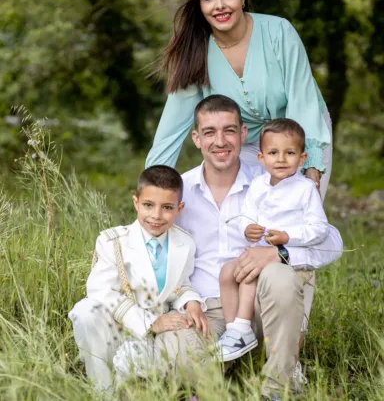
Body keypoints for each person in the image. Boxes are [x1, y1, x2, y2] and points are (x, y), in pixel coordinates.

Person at [155, 95, 341, 399]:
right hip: (203, 310)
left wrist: (280, 252)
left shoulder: (274, 182)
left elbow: (331, 243)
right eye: (210, 132)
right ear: (196, 138)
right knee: (175, 355)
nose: (220, 141)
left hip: (261, 308)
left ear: (243, 134)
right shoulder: (178, 191)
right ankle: (220, 380)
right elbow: (157, 259)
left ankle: (277, 386)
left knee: (280, 276)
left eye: (229, 130)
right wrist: (183, 301)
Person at [146, 0, 332, 199]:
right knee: (248, 224)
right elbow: (170, 132)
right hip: (244, 146)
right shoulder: (194, 53)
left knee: (295, 214)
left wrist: (311, 168)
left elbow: (303, 102)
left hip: (301, 138)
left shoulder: (279, 33)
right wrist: (152, 189)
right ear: (199, 6)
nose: (219, 5)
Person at [69, 165, 208, 389]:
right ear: (136, 203)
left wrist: (190, 301)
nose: (156, 215)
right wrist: (149, 322)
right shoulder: (113, 240)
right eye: (148, 205)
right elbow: (100, 290)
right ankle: (102, 388)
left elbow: (180, 286)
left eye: (167, 207)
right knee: (85, 312)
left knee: (139, 382)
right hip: (120, 327)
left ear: (179, 208)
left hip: (156, 336)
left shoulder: (185, 243)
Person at [217, 118, 331, 362]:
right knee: (228, 272)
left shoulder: (305, 189)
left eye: (289, 153)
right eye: (273, 152)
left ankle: (244, 329)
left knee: (249, 276)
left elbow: (320, 229)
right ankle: (236, 329)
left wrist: (288, 237)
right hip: (258, 250)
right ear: (261, 158)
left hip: (288, 257)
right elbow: (245, 215)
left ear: (302, 159)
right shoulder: (258, 185)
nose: (280, 159)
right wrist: (248, 228)